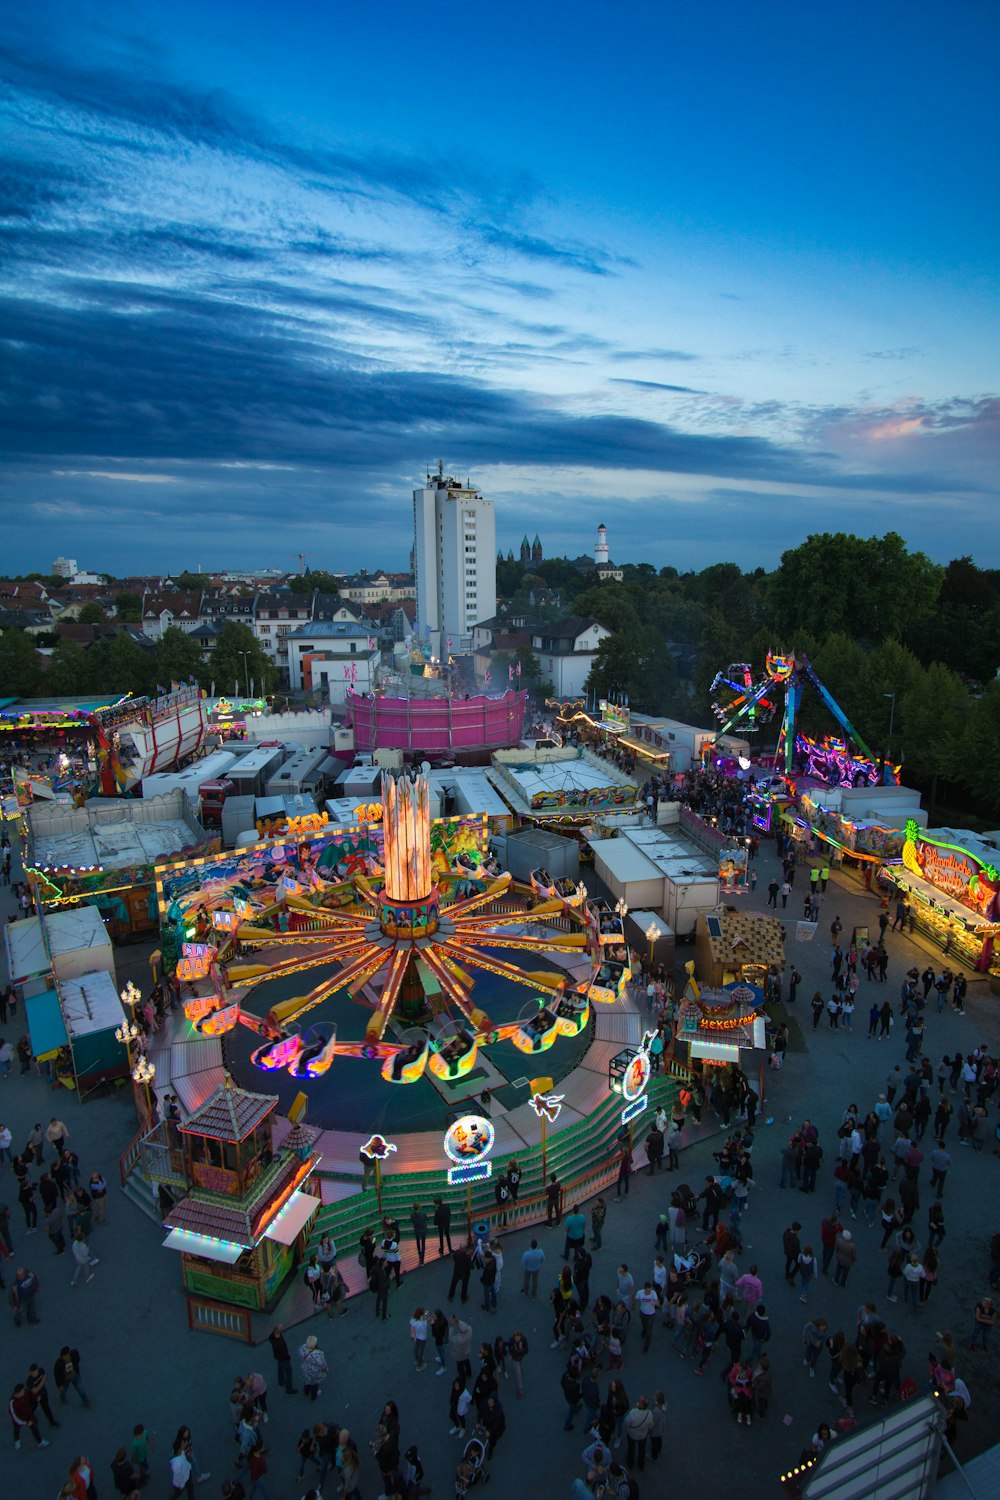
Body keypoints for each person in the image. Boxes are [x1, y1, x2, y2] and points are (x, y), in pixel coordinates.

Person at [267, 1324, 296, 1394]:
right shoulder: (279, 1343)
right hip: (284, 1358)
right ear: (278, 1330)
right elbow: (283, 1353)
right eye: (281, 1328)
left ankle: (281, 1382)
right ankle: (289, 1390)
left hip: (278, 1357)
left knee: (280, 1368)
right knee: (289, 1373)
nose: (282, 1329)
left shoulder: (273, 1336)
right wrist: (289, 1357)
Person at [298, 1335, 328, 1401]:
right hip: (314, 1371)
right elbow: (322, 1364)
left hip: (305, 1368)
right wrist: (325, 1369)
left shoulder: (302, 1348)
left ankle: (306, 1391)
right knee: (315, 1384)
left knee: (307, 1381)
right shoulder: (318, 1354)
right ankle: (314, 1396)